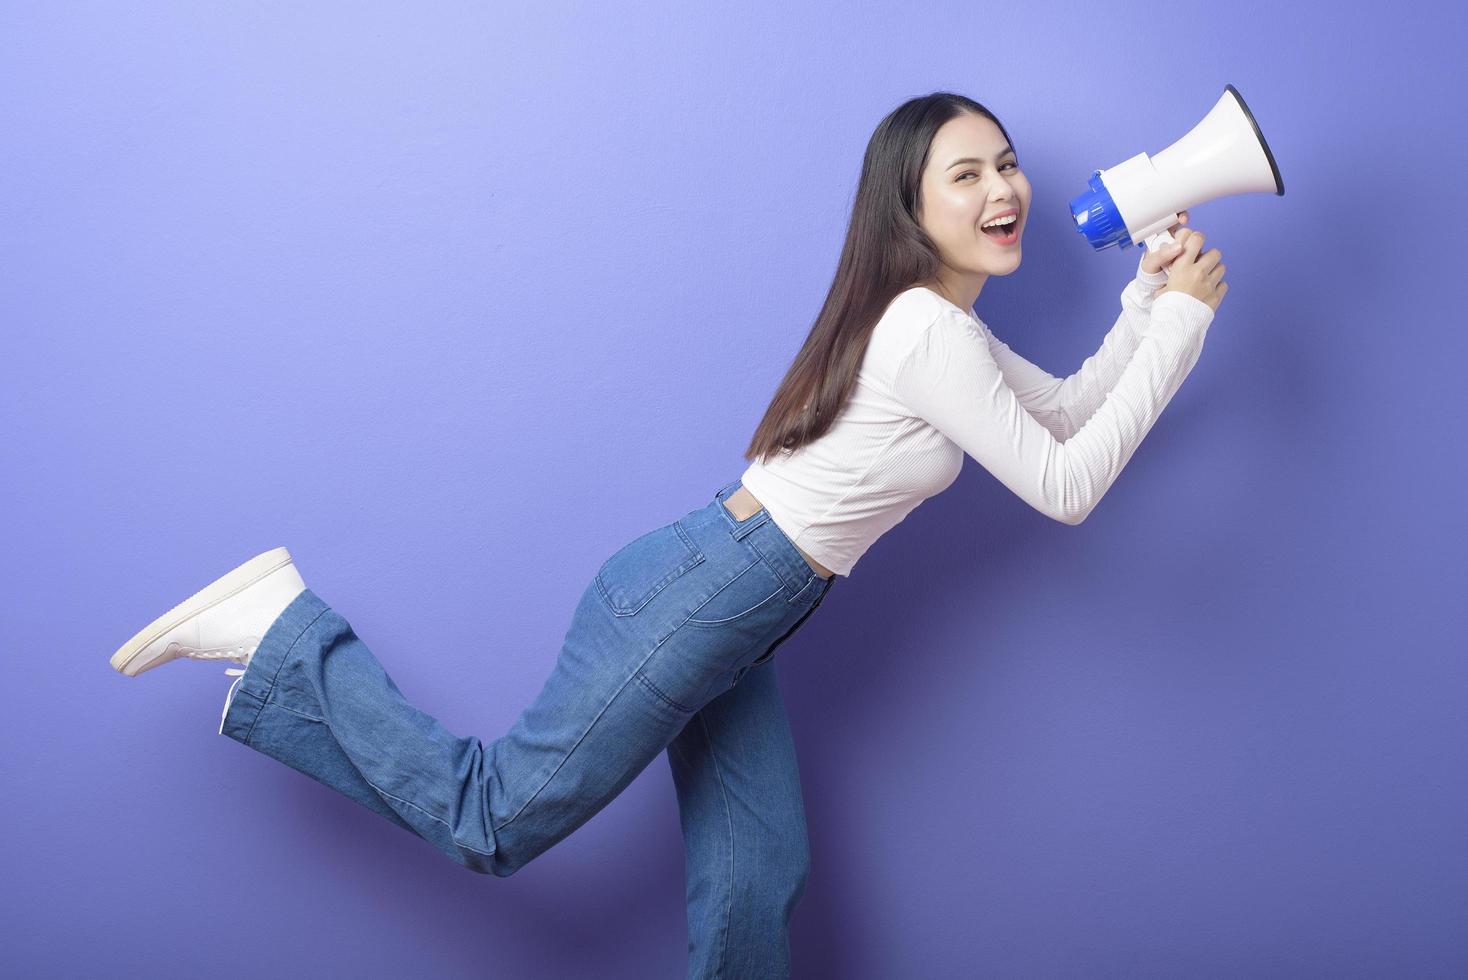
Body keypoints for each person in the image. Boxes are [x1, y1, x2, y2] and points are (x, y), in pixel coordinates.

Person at [107, 91, 1226, 979]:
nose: (1003, 188)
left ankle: (282, 638)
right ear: (909, 207)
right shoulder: (925, 332)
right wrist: (1183, 322)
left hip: (733, 599)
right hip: (706, 594)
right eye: (966, 173)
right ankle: (285, 628)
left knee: (754, 874)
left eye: (1006, 163)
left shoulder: (941, 331)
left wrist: (1141, 306)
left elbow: (1071, 415)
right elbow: (1069, 484)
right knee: (494, 817)